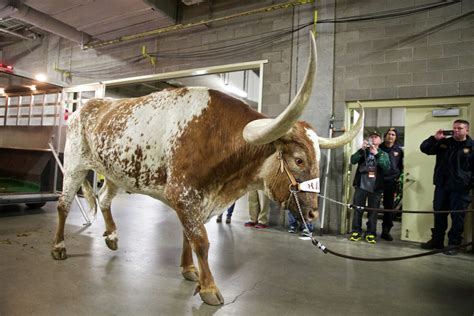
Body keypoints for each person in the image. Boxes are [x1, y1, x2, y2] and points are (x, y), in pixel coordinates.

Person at [419, 120, 474, 255]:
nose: (456, 130)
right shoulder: (445, 143)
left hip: (460, 189)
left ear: (467, 130)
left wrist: (469, 182)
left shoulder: (471, 146)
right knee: (439, 214)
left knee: (457, 217)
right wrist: (434, 138)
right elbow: (425, 149)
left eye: (459, 128)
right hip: (442, 186)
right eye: (454, 128)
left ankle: (453, 244)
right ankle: (437, 241)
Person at [349, 131, 390, 244]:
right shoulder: (363, 152)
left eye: (376, 137)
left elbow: (386, 167)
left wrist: (376, 154)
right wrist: (361, 150)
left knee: (373, 212)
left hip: (375, 188)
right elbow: (352, 160)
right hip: (361, 186)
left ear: (380, 140)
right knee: (358, 210)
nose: (373, 138)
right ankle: (356, 231)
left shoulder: (383, 154)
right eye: (371, 137)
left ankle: (371, 233)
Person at [379, 127, 404, 241]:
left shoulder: (398, 151)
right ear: (385, 136)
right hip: (378, 181)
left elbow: (400, 166)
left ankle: (386, 230)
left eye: (393, 134)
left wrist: (397, 178)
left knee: (388, 208)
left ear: (396, 137)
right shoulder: (379, 148)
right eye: (389, 134)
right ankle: (371, 230)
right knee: (373, 206)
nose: (390, 136)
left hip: (391, 183)